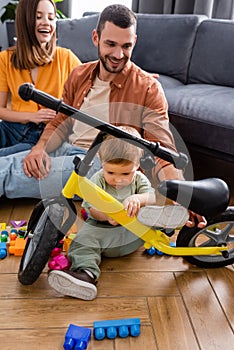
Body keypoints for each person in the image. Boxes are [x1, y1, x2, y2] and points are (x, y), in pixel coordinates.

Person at [0, 4, 206, 228]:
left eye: (126, 46)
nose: (118, 55)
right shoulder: (79, 74)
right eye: (111, 44)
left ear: (134, 42)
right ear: (96, 37)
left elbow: (163, 149)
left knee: (7, 171)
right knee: (7, 162)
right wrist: (40, 148)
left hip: (101, 165)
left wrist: (183, 194)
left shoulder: (148, 88)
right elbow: (60, 121)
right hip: (67, 148)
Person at [47, 126, 186, 300]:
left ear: (137, 166)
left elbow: (150, 195)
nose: (118, 179)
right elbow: (91, 210)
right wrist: (106, 215)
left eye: (126, 173)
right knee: (82, 242)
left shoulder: (138, 179)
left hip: (135, 234)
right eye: (110, 172)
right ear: (101, 163)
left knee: (149, 206)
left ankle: (164, 219)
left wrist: (138, 198)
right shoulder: (97, 179)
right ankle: (86, 275)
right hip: (103, 233)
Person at [0, 0, 81, 156]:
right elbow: (0, 110)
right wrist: (31, 116)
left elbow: (90, 92)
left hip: (43, 135)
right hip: (11, 128)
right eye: (38, 17)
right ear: (25, 21)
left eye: (51, 18)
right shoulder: (5, 59)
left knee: (7, 158)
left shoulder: (66, 58)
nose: (46, 23)